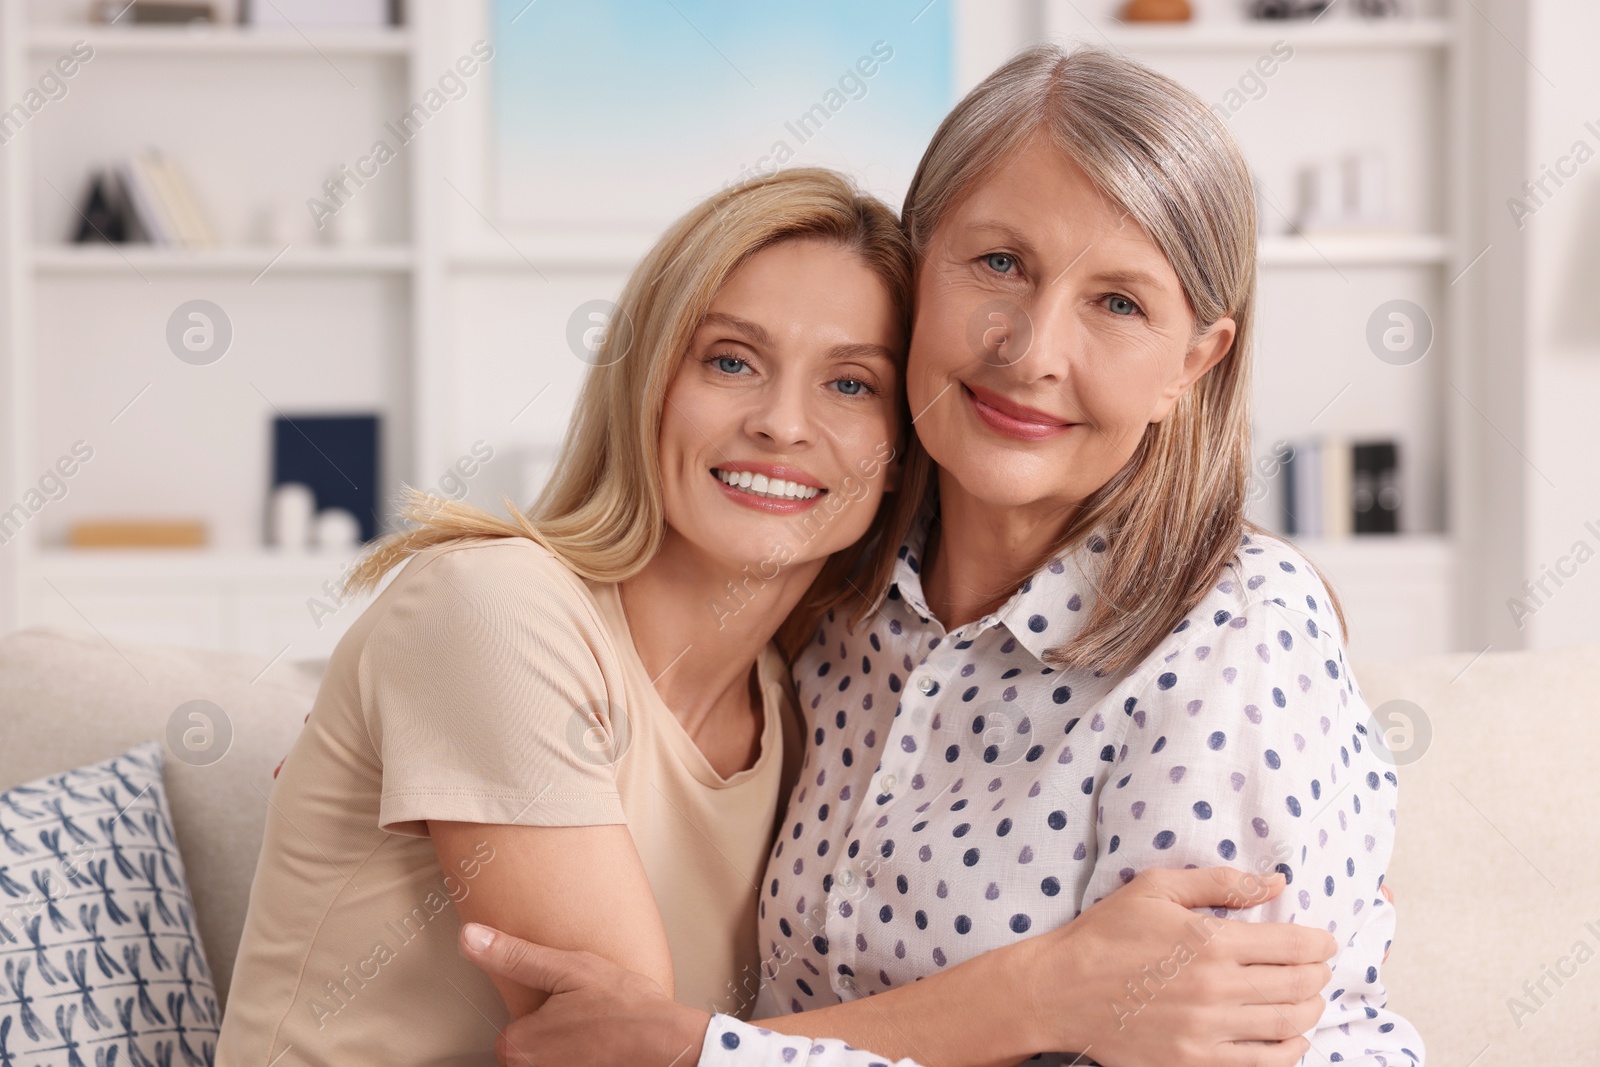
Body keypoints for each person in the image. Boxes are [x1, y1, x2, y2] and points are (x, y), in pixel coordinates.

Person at [456, 44, 1422, 1067]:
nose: (1033, 350)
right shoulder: (832, 602)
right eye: (999, 263)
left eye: (1119, 302)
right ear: (915, 275)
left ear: (1192, 361)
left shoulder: (1235, 632)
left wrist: (702, 1051)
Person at [215, 168, 914, 1065]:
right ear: (649, 385)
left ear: (900, 452)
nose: (782, 423)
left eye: (851, 384)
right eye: (731, 361)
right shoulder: (493, 608)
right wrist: (1033, 999)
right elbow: (621, 1052)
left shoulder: (799, 708)